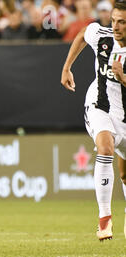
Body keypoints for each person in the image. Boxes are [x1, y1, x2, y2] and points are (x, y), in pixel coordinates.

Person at [61, 1, 126, 241]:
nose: (116, 26)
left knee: (124, 174)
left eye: (122, 22)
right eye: (114, 20)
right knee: (106, 146)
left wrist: (123, 77)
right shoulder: (102, 35)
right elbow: (81, 34)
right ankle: (104, 219)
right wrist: (67, 68)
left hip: (125, 115)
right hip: (100, 105)